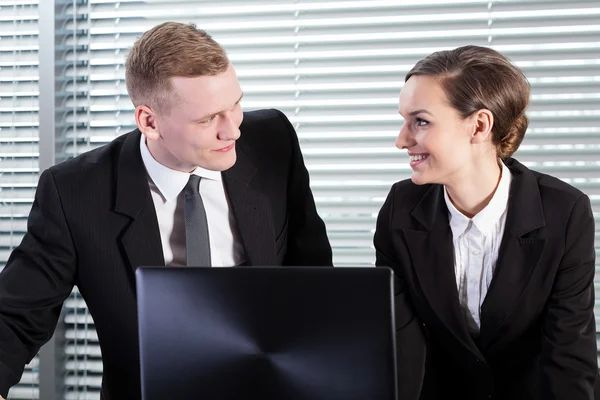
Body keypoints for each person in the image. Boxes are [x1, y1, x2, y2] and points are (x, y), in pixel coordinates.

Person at [0, 22, 332, 400]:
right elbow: (16, 316)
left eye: (235, 104)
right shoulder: (76, 192)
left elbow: (315, 276)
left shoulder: (273, 141)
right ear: (149, 121)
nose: (232, 131)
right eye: (208, 119)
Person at [374, 45, 597, 399]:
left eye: (420, 121)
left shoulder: (564, 212)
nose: (401, 140)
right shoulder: (400, 207)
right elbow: (398, 347)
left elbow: (568, 358)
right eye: (404, 121)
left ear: (479, 125)